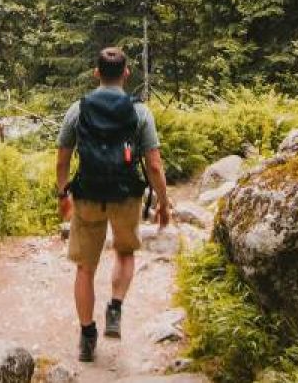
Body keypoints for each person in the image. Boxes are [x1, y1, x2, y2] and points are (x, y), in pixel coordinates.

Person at [55, 46, 170, 362]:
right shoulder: (140, 112)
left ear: (96, 73)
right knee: (124, 251)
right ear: (126, 73)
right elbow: (155, 165)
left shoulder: (78, 110)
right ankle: (115, 308)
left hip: (88, 196)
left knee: (84, 268)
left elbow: (62, 160)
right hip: (125, 196)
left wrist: (63, 194)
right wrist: (163, 204)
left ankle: (87, 334)